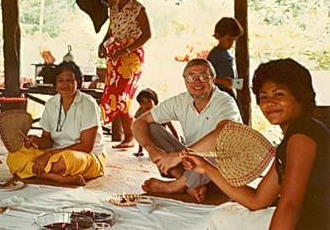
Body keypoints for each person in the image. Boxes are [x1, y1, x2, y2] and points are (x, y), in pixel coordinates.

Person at [181, 58, 329, 229]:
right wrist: (206, 167)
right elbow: (257, 200)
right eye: (264, 97)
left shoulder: (302, 135)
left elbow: (290, 207)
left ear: (300, 96)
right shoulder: (292, 138)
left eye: (278, 94)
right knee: (221, 214)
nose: (270, 102)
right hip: (308, 219)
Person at [131, 58, 242, 202]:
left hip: (224, 170)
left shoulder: (224, 101)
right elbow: (138, 123)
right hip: (193, 163)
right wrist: (151, 148)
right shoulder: (180, 101)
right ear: (185, 80)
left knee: (217, 144)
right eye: (191, 77)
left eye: (203, 76)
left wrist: (178, 156)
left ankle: (176, 186)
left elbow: (223, 134)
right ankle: (190, 184)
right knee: (152, 128)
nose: (197, 81)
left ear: (213, 79)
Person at [7, 61, 106, 186]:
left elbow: (86, 147)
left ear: (78, 82)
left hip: (87, 157)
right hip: (55, 152)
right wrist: (36, 141)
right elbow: (47, 139)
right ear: (55, 83)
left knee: (67, 161)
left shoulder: (88, 104)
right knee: (13, 157)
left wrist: (49, 154)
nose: (65, 84)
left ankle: (39, 174)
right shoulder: (51, 103)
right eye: (60, 80)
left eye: (70, 80)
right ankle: (57, 177)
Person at [98, 0, 152, 149]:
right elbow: (110, 33)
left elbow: (147, 34)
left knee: (123, 95)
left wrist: (126, 49)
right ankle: (127, 137)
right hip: (116, 55)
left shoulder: (138, 8)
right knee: (114, 94)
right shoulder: (114, 9)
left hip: (132, 56)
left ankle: (130, 137)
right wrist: (102, 44)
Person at [207, 17, 244, 118]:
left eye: (234, 40)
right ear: (218, 36)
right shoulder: (214, 55)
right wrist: (221, 81)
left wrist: (238, 84)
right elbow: (205, 78)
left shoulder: (227, 55)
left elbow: (234, 83)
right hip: (218, 97)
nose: (231, 43)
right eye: (228, 39)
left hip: (229, 93)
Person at [132, 88, 180, 157]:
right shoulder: (140, 113)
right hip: (152, 143)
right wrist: (140, 151)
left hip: (164, 138)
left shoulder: (161, 112)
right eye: (143, 103)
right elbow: (141, 133)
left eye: (149, 102)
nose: (146, 105)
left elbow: (172, 130)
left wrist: (177, 144)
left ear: (154, 102)